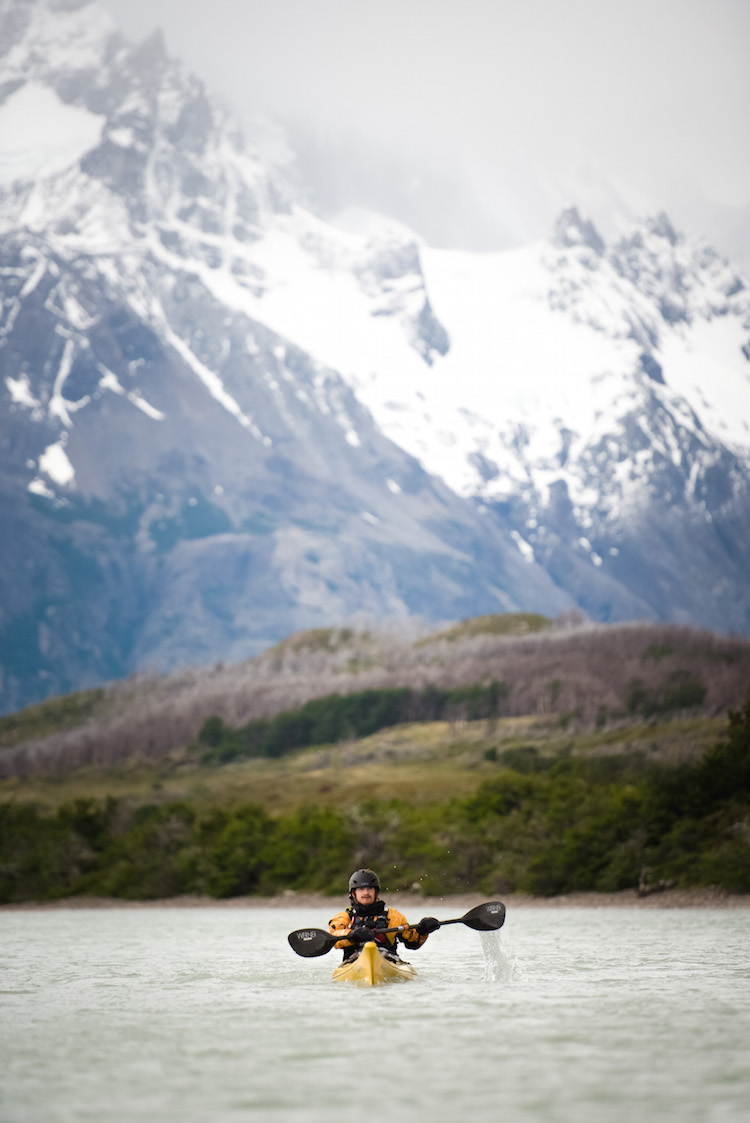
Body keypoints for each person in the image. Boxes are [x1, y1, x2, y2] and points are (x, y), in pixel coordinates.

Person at [329, 868, 440, 962]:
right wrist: (352, 934)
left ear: (376, 892)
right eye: (361, 889)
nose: (366, 893)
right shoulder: (344, 917)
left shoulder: (393, 916)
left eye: (370, 888)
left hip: (388, 961)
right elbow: (334, 938)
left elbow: (413, 942)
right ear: (354, 893)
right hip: (354, 962)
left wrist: (423, 931)